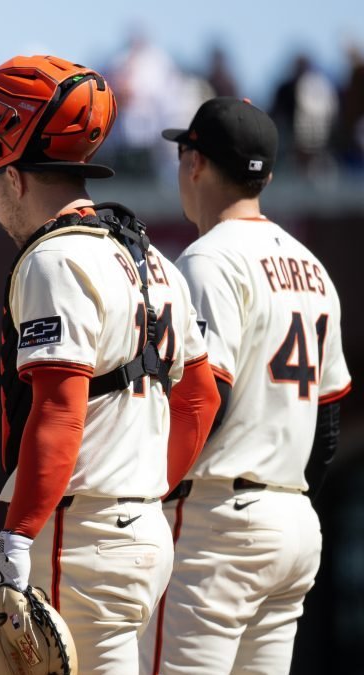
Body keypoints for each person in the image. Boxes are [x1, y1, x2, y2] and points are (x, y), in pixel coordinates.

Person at [0, 54, 219, 674]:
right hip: (139, 530)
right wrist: (146, 490)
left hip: (81, 533)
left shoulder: (55, 259)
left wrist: (17, 536)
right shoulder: (155, 260)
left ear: (15, 178)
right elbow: (201, 397)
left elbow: (60, 408)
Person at [146, 97, 352, 674]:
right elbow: (328, 425)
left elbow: (207, 396)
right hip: (291, 521)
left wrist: (153, 489)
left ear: (196, 163)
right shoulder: (313, 266)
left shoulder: (208, 258)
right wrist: (283, 494)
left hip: (219, 525)